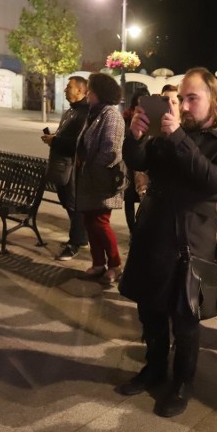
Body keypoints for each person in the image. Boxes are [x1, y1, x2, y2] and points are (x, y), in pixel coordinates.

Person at [118, 67, 217, 418]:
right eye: (182, 98)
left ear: (212, 100)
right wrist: (137, 136)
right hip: (154, 233)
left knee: (186, 318)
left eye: (193, 98)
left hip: (190, 242)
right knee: (149, 311)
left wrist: (176, 139)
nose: (185, 106)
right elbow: (139, 160)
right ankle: (154, 367)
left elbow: (215, 181)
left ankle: (183, 382)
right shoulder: (169, 132)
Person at [74, 72, 125, 285]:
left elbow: (111, 151)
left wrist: (89, 165)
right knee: (89, 221)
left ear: (100, 93)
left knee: (100, 223)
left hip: (102, 180)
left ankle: (115, 264)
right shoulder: (94, 113)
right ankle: (97, 263)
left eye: (91, 90)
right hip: (89, 179)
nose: (88, 94)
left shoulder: (111, 115)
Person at [42, 75, 90, 260]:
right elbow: (67, 137)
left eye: (68, 87)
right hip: (62, 166)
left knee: (74, 204)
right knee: (67, 201)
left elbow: (79, 144)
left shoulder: (85, 113)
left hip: (73, 168)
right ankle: (80, 237)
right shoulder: (72, 111)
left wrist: (56, 140)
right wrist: (55, 137)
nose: (64, 90)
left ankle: (75, 242)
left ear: (80, 90)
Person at [122, 88, 150, 236]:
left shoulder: (152, 116)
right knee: (129, 197)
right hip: (129, 161)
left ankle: (142, 231)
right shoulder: (127, 115)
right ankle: (132, 231)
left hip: (143, 161)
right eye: (139, 100)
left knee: (144, 197)